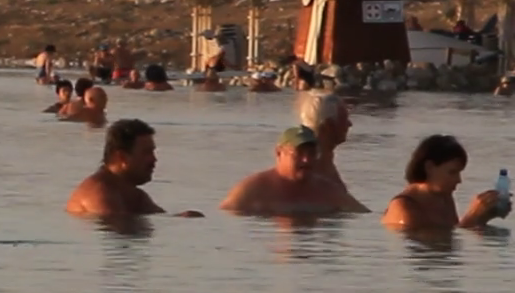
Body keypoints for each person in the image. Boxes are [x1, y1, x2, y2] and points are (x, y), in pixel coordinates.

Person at [66, 118, 201, 218]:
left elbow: (161, 220)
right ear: (122, 157)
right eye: (146, 152)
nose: (154, 159)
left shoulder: (136, 195)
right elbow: (117, 230)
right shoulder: (100, 193)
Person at [218, 126, 358, 217]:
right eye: (299, 153)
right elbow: (224, 219)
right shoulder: (251, 190)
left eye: (311, 154)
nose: (306, 160)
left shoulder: (329, 191)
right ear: (279, 153)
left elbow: (363, 215)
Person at [382, 134, 510, 231]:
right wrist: (472, 216)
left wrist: (484, 215)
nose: (459, 180)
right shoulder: (403, 207)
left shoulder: (443, 197)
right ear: (429, 167)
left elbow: (451, 236)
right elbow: (430, 243)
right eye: (452, 172)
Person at [298, 91, 367, 212]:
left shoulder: (320, 158)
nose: (350, 124)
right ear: (329, 125)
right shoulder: (315, 163)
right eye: (344, 118)